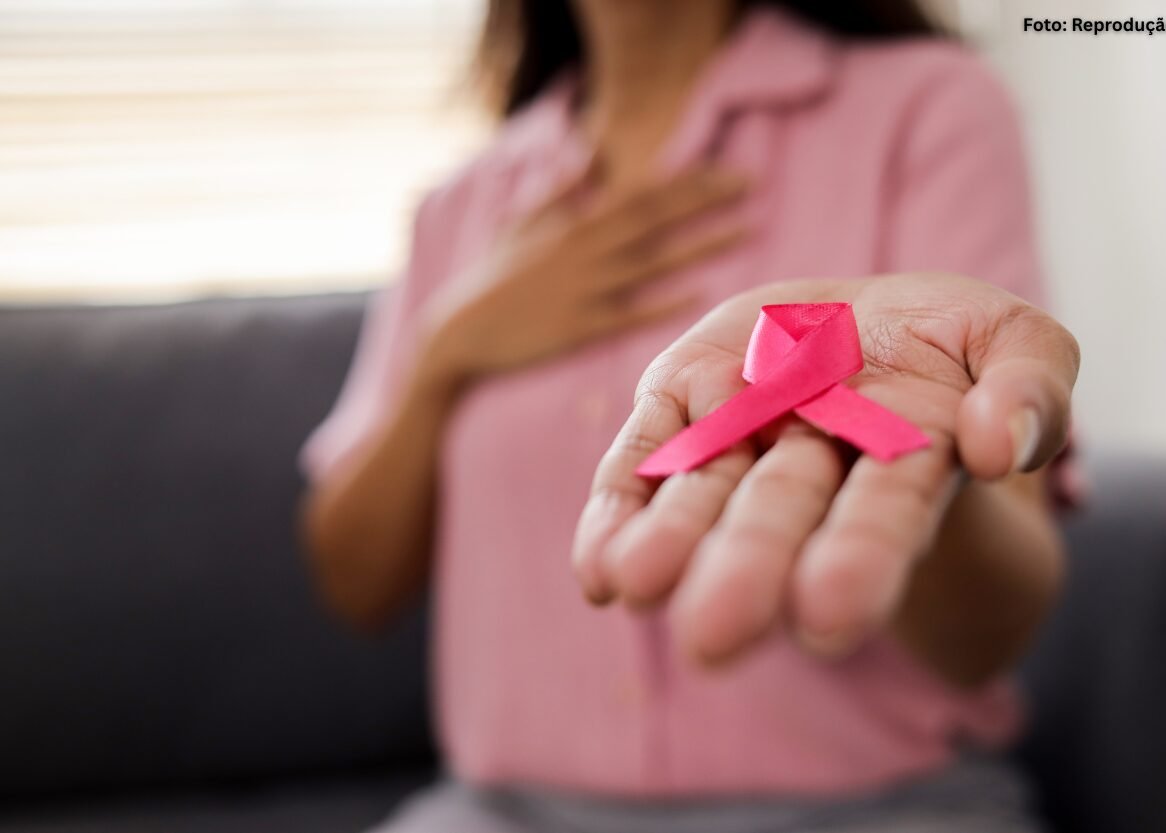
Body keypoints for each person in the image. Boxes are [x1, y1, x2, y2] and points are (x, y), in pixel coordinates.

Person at [299, 1, 1079, 830]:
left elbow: (994, 633)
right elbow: (355, 584)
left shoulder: (931, 108)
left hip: (877, 809)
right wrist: (446, 353)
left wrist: (932, 473)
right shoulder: (462, 206)